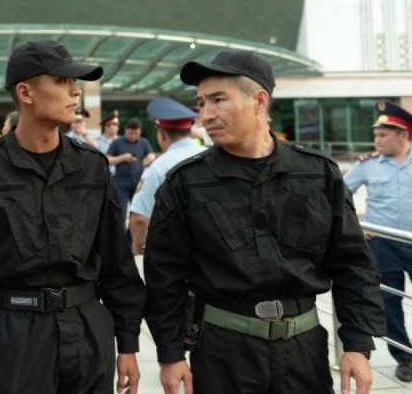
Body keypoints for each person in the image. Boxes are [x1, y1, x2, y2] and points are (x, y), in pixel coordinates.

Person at [144, 50, 386, 394]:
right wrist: (171, 355)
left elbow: (353, 264)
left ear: (259, 101)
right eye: (201, 103)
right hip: (222, 352)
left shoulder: (317, 174)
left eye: (218, 100)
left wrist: (358, 346)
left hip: (304, 350)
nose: (206, 114)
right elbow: (164, 274)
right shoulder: (186, 183)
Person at [0, 39, 145, 394]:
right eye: (62, 81)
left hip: (87, 333)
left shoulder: (91, 166)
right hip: (15, 336)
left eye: (74, 83)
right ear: (26, 92)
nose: (75, 91)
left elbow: (118, 264)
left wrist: (127, 343)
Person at [344, 99, 412, 382]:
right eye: (376, 134)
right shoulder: (368, 165)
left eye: (384, 134)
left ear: (404, 134)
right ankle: (405, 357)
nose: (377, 139)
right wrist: (357, 225)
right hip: (383, 245)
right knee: (388, 302)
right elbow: (338, 195)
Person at [129, 98, 204, 255]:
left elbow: (140, 218)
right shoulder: (210, 156)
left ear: (162, 134)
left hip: (175, 252)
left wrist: (138, 243)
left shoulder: (158, 167)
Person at [106, 117, 155, 225]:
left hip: (138, 182)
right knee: (121, 212)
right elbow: (107, 160)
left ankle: (131, 238)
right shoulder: (117, 142)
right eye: (130, 133)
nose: (133, 136)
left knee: (137, 212)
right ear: (125, 130)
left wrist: (150, 158)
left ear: (140, 131)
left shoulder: (144, 142)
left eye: (135, 133)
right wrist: (123, 158)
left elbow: (151, 155)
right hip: (121, 182)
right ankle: (121, 238)